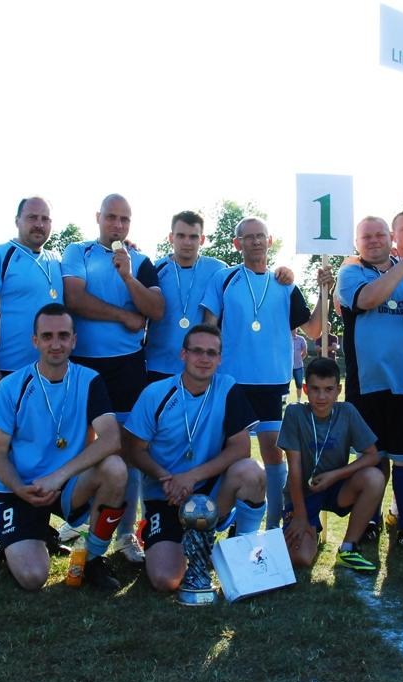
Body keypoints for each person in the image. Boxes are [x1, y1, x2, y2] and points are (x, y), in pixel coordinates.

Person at [200, 216, 332, 530]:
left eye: (261, 236)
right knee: (233, 454)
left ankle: (273, 526)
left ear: (269, 241)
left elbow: (314, 329)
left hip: (272, 383)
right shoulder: (224, 278)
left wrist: (324, 291)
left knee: (274, 455)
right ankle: (226, 518)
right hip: (232, 383)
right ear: (238, 244)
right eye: (248, 237)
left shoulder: (285, 284)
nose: (256, 241)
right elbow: (208, 327)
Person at [0, 304, 128, 591]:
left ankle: (93, 559)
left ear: (74, 340)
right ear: (35, 341)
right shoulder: (11, 385)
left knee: (115, 469)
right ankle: (22, 535)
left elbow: (111, 439)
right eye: (47, 336)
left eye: (63, 336)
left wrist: (58, 476)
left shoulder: (89, 380)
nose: (56, 344)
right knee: (32, 578)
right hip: (21, 488)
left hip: (66, 486)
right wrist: (19, 488)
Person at [124, 324, 266, 591]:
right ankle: (168, 538)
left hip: (210, 492)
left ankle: (243, 549)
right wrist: (167, 478)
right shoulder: (155, 393)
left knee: (252, 471)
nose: (204, 358)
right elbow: (134, 450)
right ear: (183, 354)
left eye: (211, 353)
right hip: (166, 495)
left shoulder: (227, 388)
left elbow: (240, 448)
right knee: (166, 580)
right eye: (197, 351)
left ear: (220, 358)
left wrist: (190, 477)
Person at [62, 193, 164, 564]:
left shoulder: (141, 261)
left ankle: (125, 536)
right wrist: (122, 315)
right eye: (111, 217)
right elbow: (75, 299)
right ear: (98, 217)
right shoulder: (78, 252)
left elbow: (156, 309)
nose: (118, 225)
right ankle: (75, 520)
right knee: (81, 446)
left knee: (129, 452)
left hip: (128, 367)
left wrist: (127, 276)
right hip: (84, 365)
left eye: (124, 219)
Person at [337, 216, 403, 556]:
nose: (373, 240)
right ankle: (370, 519)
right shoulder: (351, 272)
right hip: (367, 385)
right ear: (357, 242)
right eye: (366, 236)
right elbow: (367, 299)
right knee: (373, 458)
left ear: (390, 237)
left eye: (379, 234)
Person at [0, 195, 65, 562]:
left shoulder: (56, 260)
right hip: (7, 375)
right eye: (32, 217)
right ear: (18, 220)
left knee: (41, 454)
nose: (39, 224)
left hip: (49, 376)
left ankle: (36, 527)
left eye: (45, 218)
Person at [279, 358, 384, 573]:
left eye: (328, 389)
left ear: (339, 390)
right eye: (315, 389)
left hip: (336, 489)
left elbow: (372, 455)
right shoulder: (294, 413)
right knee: (300, 558)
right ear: (305, 389)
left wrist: (335, 475)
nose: (321, 396)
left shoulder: (347, 412)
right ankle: (311, 528)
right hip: (302, 494)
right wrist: (300, 515)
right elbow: (294, 470)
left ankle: (348, 548)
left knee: (375, 478)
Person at [145, 211, 227, 383]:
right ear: (171, 237)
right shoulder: (154, 269)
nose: (187, 242)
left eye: (193, 237)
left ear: (202, 239)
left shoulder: (219, 269)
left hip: (200, 366)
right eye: (181, 236)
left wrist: (282, 273)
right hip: (158, 365)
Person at [291, 330, 307, 401]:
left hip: (298, 366)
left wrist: (300, 359)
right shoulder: (286, 338)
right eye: (292, 329)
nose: (293, 330)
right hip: (287, 367)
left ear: (296, 330)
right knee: (286, 384)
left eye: (295, 329)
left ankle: (298, 400)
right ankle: (284, 400)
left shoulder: (301, 339)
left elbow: (305, 352)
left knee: (299, 384)